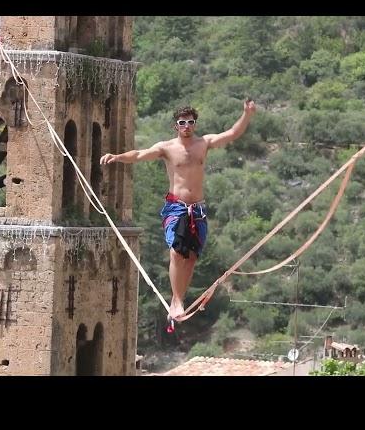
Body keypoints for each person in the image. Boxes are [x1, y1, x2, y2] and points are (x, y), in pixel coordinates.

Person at [100, 99, 256, 320]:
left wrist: (247, 114)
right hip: (177, 207)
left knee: (191, 256)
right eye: (182, 122)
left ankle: (180, 298)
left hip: (198, 209)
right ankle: (176, 299)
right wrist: (117, 157)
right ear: (176, 125)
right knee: (176, 251)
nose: (186, 126)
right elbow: (139, 154)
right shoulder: (167, 148)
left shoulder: (204, 143)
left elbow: (231, 133)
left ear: (195, 124)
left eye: (190, 122)